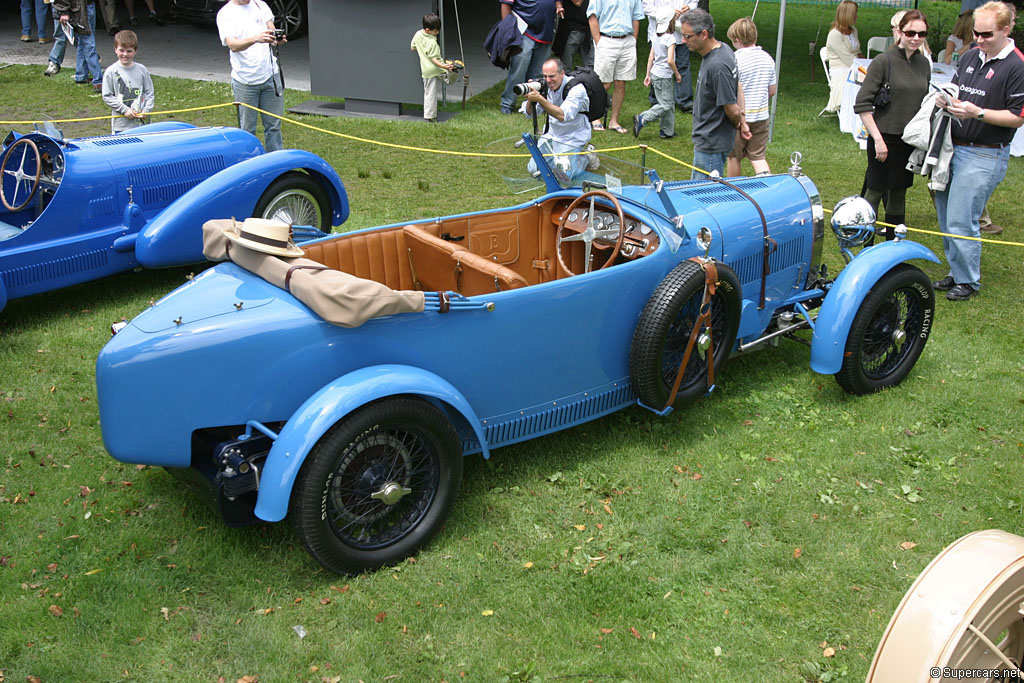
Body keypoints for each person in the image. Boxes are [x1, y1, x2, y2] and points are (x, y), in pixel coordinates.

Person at [931, 1, 1024, 301]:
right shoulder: (971, 56)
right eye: (976, 32)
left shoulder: (1017, 66)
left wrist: (978, 113)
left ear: (1006, 30)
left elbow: (1019, 116)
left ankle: (968, 281)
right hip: (953, 147)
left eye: (986, 34)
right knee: (946, 215)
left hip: (986, 152)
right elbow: (957, 90)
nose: (979, 39)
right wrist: (946, 101)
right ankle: (956, 271)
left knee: (961, 218)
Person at [853, 10, 930, 240]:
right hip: (883, 138)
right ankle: (863, 244)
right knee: (875, 191)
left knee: (899, 193)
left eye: (922, 33)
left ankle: (894, 244)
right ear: (900, 32)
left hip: (908, 141)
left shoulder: (923, 64)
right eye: (910, 32)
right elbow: (862, 104)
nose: (916, 38)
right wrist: (878, 139)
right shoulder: (883, 61)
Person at [679, 8, 750, 179]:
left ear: (703, 34)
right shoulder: (724, 49)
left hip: (711, 142)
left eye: (688, 36)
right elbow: (738, 86)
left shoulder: (717, 65)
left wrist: (738, 122)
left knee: (702, 196)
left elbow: (731, 108)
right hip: (710, 139)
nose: (683, 40)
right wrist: (743, 121)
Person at [217, 0, 286, 152]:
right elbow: (233, 45)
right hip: (245, 81)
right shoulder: (225, 14)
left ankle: (275, 164)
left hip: (270, 75)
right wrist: (255, 38)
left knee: (274, 126)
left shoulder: (260, 4)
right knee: (247, 130)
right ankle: (249, 164)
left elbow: (271, 32)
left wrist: (277, 40)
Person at [520, 57, 595, 181]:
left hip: (573, 137)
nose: (548, 80)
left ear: (562, 73)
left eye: (551, 76)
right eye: (545, 76)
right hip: (552, 135)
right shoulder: (544, 86)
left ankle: (586, 157)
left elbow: (563, 116)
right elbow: (528, 114)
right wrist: (530, 98)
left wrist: (540, 99)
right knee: (534, 169)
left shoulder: (576, 89)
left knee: (564, 176)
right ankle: (561, 161)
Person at [726, 17, 776, 176]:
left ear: (737, 40)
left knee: (733, 156)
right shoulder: (767, 58)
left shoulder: (734, 59)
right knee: (758, 156)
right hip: (761, 116)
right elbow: (772, 90)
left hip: (739, 117)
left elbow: (730, 90)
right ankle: (767, 189)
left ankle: (732, 191)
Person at [587, 0, 645, 133]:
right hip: (606, 40)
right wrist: (598, 41)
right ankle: (595, 118)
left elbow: (636, 18)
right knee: (604, 83)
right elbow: (592, 16)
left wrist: (633, 40)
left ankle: (614, 121)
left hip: (627, 41)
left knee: (620, 83)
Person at [498, 0, 560, 114]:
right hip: (523, 31)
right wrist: (508, 31)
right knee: (519, 70)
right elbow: (506, 4)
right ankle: (507, 104)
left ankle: (533, 105)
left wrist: (559, 6)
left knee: (538, 73)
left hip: (545, 32)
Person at [633, 7, 680, 139]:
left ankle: (667, 131)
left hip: (655, 74)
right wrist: (677, 74)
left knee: (668, 103)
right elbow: (670, 60)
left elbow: (650, 57)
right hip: (664, 75)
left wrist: (648, 74)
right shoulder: (670, 39)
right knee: (665, 105)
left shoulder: (655, 36)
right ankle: (643, 118)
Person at [643, 0, 695, 113]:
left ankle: (685, 101)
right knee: (658, 65)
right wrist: (668, 13)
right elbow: (646, 7)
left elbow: (694, 2)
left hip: (680, 32)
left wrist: (689, 7)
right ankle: (656, 100)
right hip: (660, 33)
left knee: (683, 66)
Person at [101, 29, 154, 134]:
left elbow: (149, 92)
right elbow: (107, 96)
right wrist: (124, 110)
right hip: (121, 126)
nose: (125, 54)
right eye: (121, 50)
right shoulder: (111, 72)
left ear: (135, 51)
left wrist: (147, 110)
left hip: (142, 125)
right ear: (115, 49)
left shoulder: (142, 70)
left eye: (129, 51)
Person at [411, 13, 456, 123]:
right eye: (435, 31)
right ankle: (430, 117)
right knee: (448, 77)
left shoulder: (418, 34)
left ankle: (430, 115)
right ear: (427, 29)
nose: (437, 33)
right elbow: (434, 59)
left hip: (426, 70)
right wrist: (444, 65)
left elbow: (413, 47)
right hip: (436, 68)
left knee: (428, 92)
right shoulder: (432, 42)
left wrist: (422, 50)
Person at [50, 0, 103, 91]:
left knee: (84, 42)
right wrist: (64, 11)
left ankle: (81, 75)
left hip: (85, 6)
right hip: (80, 8)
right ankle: (98, 81)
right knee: (88, 44)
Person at [824, 0, 862, 114]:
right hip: (841, 68)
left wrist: (867, 64)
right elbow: (848, 59)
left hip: (854, 64)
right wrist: (863, 69)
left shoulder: (854, 30)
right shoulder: (835, 35)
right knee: (863, 79)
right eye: (855, 13)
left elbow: (858, 51)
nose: (857, 16)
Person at [559, 0, 594, 69]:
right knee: (566, 65)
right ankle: (564, 79)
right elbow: (577, 2)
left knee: (591, 65)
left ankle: (591, 79)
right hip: (573, 28)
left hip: (589, 28)